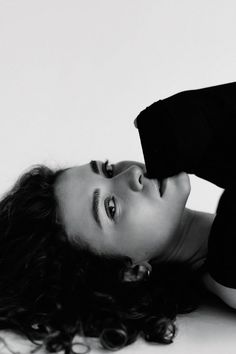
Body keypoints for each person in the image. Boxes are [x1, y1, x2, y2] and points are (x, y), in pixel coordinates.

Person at [0, 81, 235, 354]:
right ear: (131, 271)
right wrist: (177, 124)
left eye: (109, 170)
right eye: (111, 207)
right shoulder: (231, 259)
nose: (132, 175)